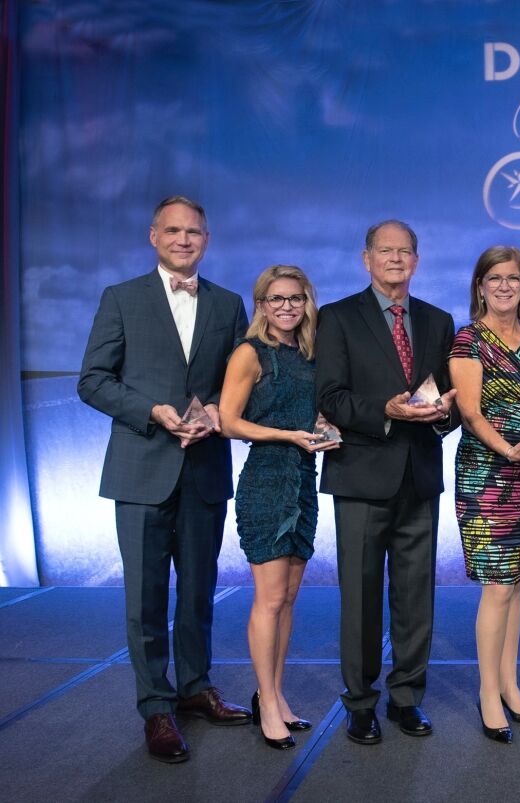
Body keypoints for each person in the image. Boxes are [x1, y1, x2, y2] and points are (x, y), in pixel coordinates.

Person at [78, 196, 251, 763]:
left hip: (204, 471)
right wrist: (151, 410)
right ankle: (155, 705)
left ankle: (196, 688)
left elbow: (244, 385)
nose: (183, 240)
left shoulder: (227, 305)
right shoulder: (121, 299)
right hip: (142, 469)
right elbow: (93, 381)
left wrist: (222, 417)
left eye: (194, 232)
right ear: (153, 236)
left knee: (200, 591)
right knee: (146, 599)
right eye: (173, 231)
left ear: (207, 238)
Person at [315, 220, 457, 745]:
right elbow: (329, 395)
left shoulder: (439, 321)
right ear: (366, 258)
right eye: (385, 250)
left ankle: (406, 698)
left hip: (419, 476)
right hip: (360, 475)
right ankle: (359, 703)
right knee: (360, 597)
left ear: (416, 261)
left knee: (415, 596)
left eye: (405, 251)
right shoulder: (337, 318)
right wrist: (386, 411)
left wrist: (444, 414)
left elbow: (451, 398)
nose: (396, 259)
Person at [219, 265, 338, 750]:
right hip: (266, 480)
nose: (287, 307)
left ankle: (277, 693)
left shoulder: (310, 354)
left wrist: (324, 424)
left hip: (303, 482)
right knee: (268, 599)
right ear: (262, 304)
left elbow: (314, 410)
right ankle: (265, 701)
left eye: (296, 298)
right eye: (277, 299)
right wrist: (287, 434)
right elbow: (228, 421)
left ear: (306, 303)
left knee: (288, 599)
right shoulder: (250, 353)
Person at [449, 246, 520, 744]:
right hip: (486, 474)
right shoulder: (467, 341)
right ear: (480, 286)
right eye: (494, 279)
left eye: (512, 279)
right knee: (497, 584)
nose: (503, 287)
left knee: (516, 583)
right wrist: (510, 451)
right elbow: (470, 413)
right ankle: (488, 692)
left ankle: (511, 686)